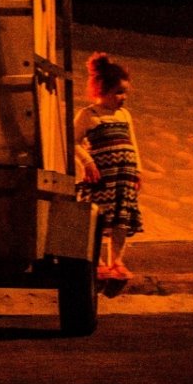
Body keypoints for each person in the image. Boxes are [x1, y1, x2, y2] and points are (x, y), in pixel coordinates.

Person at [74, 52, 145, 279]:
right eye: (118, 92)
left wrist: (138, 170)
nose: (123, 97)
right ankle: (97, 261)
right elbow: (71, 141)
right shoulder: (89, 115)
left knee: (121, 220)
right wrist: (87, 162)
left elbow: (132, 143)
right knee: (98, 220)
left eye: (125, 92)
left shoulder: (124, 115)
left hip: (124, 176)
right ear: (102, 91)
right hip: (102, 177)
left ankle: (117, 261)